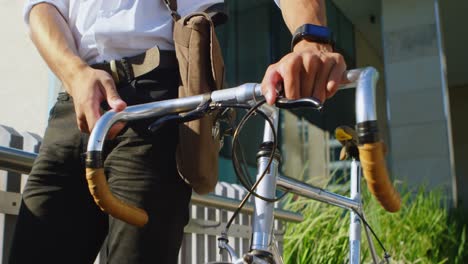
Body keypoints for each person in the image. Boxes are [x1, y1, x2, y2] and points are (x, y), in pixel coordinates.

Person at [9, 0, 346, 263]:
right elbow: (42, 8)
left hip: (159, 102)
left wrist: (310, 41)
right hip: (77, 99)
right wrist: (76, 73)